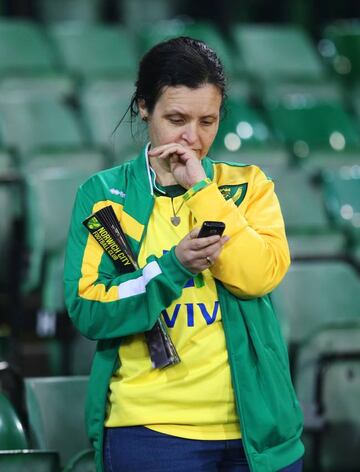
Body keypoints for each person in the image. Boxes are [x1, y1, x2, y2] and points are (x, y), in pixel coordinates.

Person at [64, 36, 304, 472]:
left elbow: (258, 275)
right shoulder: (104, 197)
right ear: (143, 106)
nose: (192, 138)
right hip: (151, 432)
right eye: (176, 118)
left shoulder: (248, 186)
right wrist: (172, 267)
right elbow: (90, 308)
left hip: (259, 430)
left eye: (207, 121)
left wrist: (200, 188)